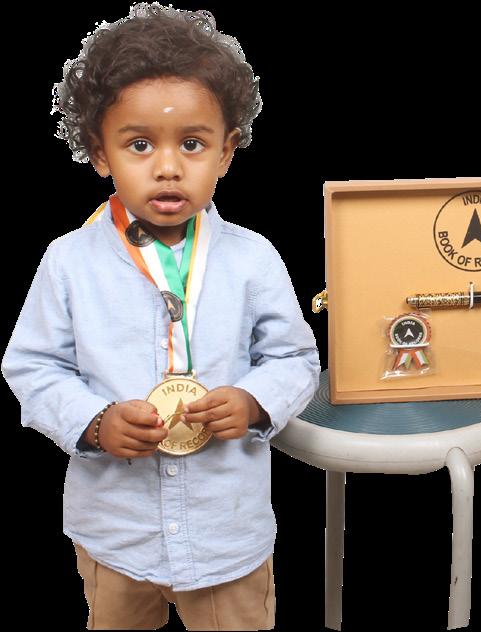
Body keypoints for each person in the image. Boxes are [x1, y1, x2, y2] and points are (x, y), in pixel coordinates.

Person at [1, 3, 320, 629]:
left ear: (226, 153)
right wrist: (93, 422)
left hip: (227, 538)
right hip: (116, 535)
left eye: (193, 144)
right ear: (100, 153)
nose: (168, 166)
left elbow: (295, 358)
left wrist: (255, 401)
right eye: (139, 144)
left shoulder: (254, 258)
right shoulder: (67, 262)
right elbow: (32, 367)